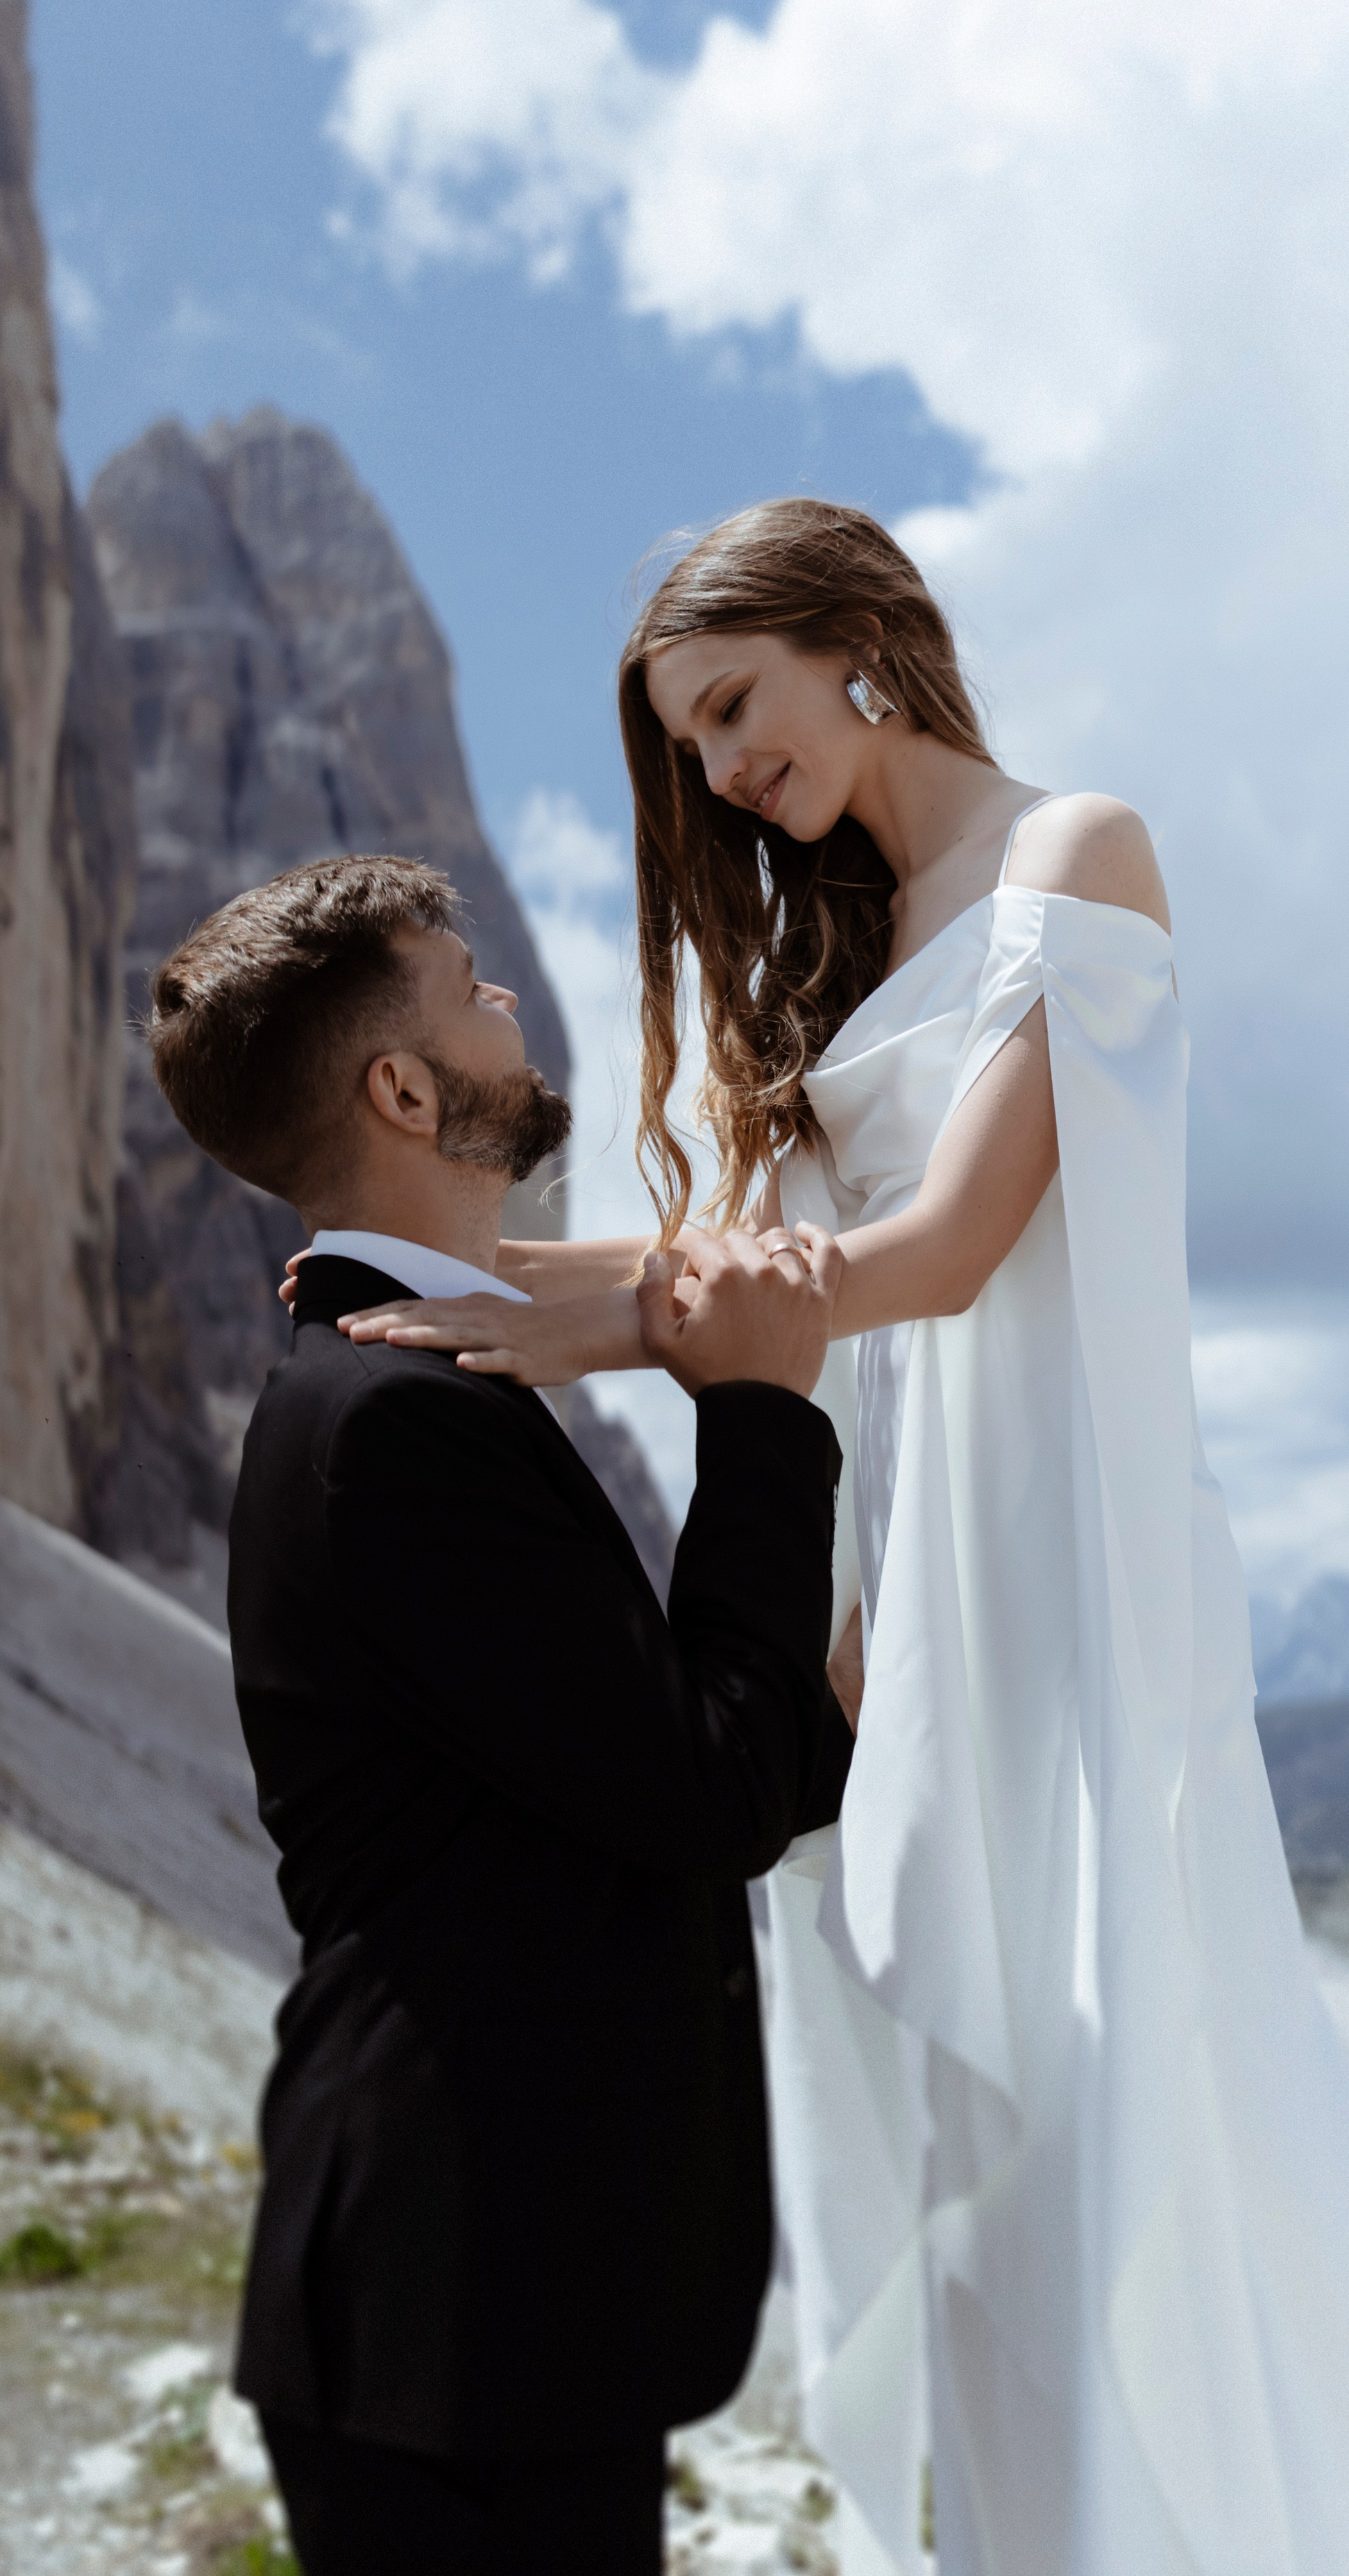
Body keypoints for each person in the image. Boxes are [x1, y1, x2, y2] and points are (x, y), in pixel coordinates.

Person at [334, 502, 1349, 2575]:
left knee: (1101, 2117)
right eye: (687, 746)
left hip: (1060, 1571)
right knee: (974, 2167)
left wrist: (604, 1314)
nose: (716, 775)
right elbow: (745, 1256)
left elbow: (944, 1250)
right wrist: (432, 1281)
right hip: (908, 1613)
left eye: (732, 709)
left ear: (859, 638)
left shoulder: (1083, 855)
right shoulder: (845, 944)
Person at [144, 850, 855, 2576]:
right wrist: (759, 1415)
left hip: (482, 2310)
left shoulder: (394, 1378)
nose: (506, 1001)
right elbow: (704, 1783)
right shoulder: (388, 1423)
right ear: (400, 1088)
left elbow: (595, 1777)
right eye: (468, 987)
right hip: (454, 2318)